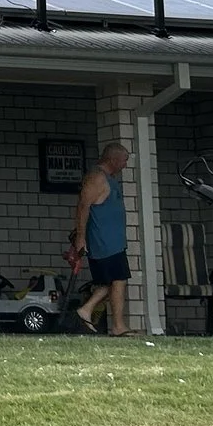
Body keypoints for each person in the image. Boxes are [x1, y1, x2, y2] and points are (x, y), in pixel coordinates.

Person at [67, 142, 131, 335]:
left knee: (112, 281)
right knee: (116, 280)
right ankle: (113, 324)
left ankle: (89, 312)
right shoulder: (97, 178)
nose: (125, 165)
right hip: (104, 242)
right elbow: (83, 207)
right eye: (124, 161)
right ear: (113, 159)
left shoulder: (110, 179)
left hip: (114, 242)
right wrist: (79, 238)